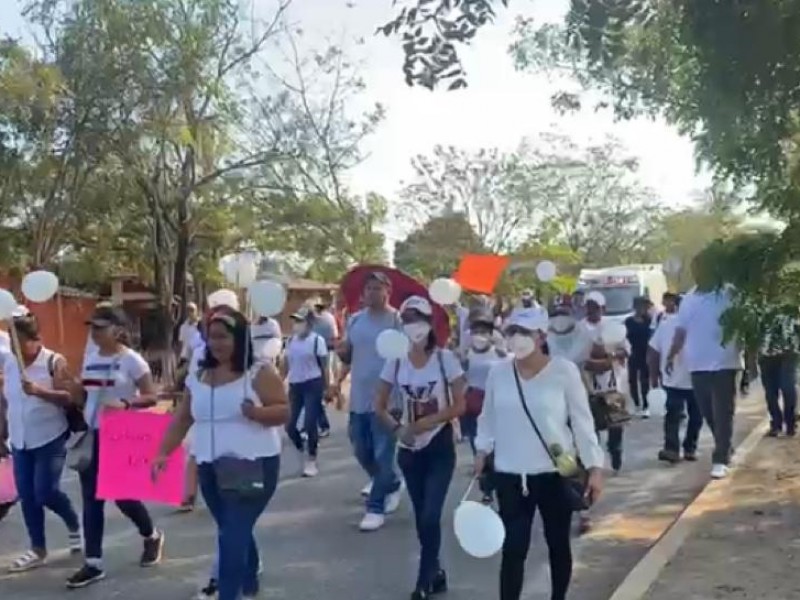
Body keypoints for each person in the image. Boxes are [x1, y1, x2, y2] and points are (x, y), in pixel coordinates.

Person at [154, 309, 287, 600]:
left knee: (231, 535)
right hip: (210, 465)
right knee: (230, 528)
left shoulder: (259, 372)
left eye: (223, 336)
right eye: (211, 337)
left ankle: (229, 593)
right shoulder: (199, 374)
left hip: (253, 464)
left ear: (239, 338)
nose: (216, 343)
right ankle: (249, 580)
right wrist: (163, 452)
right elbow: (183, 418)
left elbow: (283, 410)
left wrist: (257, 412)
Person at [474, 307, 604, 600]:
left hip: (557, 468)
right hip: (510, 471)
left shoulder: (563, 371)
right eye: (512, 332)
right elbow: (487, 417)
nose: (517, 339)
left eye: (525, 333)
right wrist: (482, 449)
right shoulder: (499, 372)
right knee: (513, 548)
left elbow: (583, 423)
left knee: (558, 542)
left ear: (542, 336)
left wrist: (595, 468)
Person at [67, 306, 165, 589]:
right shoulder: (90, 358)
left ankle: (151, 534)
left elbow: (151, 396)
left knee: (122, 496)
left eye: (100, 327)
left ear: (117, 330)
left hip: (121, 433)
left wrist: (125, 404)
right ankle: (93, 562)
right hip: (93, 434)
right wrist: (72, 389)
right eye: (92, 327)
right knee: (91, 499)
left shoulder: (132, 361)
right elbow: (84, 397)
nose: (94, 333)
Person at [376, 296, 466, 600]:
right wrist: (398, 428)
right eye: (408, 319)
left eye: (419, 319)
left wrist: (431, 421)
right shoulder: (396, 360)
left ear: (430, 325)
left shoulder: (445, 359)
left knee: (431, 515)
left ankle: (423, 581)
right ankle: (436, 571)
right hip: (409, 448)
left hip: (439, 444)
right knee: (420, 516)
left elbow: (461, 403)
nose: (413, 326)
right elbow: (379, 405)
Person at [0, 314, 82, 572]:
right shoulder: (10, 362)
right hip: (20, 440)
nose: (17, 350)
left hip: (50, 438)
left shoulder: (54, 362)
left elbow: (71, 397)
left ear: (37, 341)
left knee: (45, 491)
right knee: (27, 496)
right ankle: (38, 549)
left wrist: (40, 391)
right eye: (13, 344)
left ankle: (74, 522)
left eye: (22, 343)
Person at [331, 271, 404, 531]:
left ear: (388, 291)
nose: (372, 293)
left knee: (384, 453)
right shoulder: (355, 320)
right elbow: (349, 354)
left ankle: (375, 507)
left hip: (388, 399)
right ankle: (391, 483)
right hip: (359, 397)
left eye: (378, 288)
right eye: (369, 288)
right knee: (362, 450)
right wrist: (338, 374)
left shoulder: (397, 320)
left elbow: (408, 357)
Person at [666, 255, 742, 480]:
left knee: (723, 412)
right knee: (709, 413)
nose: (699, 273)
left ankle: (720, 459)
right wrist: (671, 355)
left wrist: (751, 357)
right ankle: (724, 446)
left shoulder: (730, 293)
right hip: (697, 364)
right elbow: (681, 331)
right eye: (696, 269)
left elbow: (743, 322)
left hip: (724, 362)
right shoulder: (688, 299)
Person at [648, 294, 702, 463]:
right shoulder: (666, 325)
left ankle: (688, 448)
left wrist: (654, 376)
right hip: (676, 380)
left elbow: (653, 352)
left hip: (693, 379)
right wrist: (654, 376)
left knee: (689, 417)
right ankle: (675, 449)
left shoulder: (698, 325)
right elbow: (654, 350)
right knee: (680, 416)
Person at [283, 306, 328, 477]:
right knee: (289, 425)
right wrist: (281, 381)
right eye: (295, 321)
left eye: (300, 321)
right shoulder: (290, 341)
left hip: (313, 383)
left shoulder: (317, 341)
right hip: (295, 385)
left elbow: (323, 366)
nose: (297, 325)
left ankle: (311, 458)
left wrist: (327, 387)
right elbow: (286, 364)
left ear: (309, 323)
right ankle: (302, 446)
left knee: (310, 422)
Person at [461, 307, 507, 456]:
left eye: (484, 331)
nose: (479, 335)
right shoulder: (465, 354)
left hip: (495, 402)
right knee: (477, 442)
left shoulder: (500, 354)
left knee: (496, 443)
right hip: (473, 405)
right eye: (476, 331)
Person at [751, 301, 800, 437]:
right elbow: (752, 332)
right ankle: (776, 423)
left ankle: (790, 422)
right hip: (766, 353)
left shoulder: (792, 294)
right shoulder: (755, 298)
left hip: (789, 351)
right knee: (771, 392)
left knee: (788, 386)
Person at [625, 296, 653, 417]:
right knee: (632, 380)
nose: (643, 309)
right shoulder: (628, 322)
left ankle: (646, 405)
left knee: (645, 380)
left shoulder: (649, 321)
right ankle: (636, 404)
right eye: (641, 306)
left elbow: (652, 337)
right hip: (632, 353)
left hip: (645, 353)